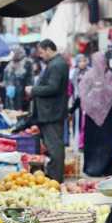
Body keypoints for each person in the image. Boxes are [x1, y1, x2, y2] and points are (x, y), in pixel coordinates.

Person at [25, 39, 69, 182]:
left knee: (54, 146)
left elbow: (53, 87)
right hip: (50, 112)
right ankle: (54, 175)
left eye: (42, 52)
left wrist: (34, 89)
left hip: (52, 113)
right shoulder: (55, 63)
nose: (41, 56)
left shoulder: (57, 64)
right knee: (52, 146)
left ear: (49, 49)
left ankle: (55, 177)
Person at [79, 52, 112, 177]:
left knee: (106, 142)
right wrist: (94, 98)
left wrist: (104, 90)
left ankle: (106, 167)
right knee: (92, 142)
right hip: (91, 115)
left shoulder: (111, 76)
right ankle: (92, 168)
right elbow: (82, 94)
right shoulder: (88, 76)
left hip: (108, 115)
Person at [3, 46, 33, 111]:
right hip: (10, 94)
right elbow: (5, 78)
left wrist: (28, 93)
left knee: (22, 114)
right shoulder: (10, 63)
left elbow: (30, 79)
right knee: (10, 113)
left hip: (22, 94)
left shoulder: (27, 62)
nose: (12, 54)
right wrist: (7, 86)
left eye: (14, 52)